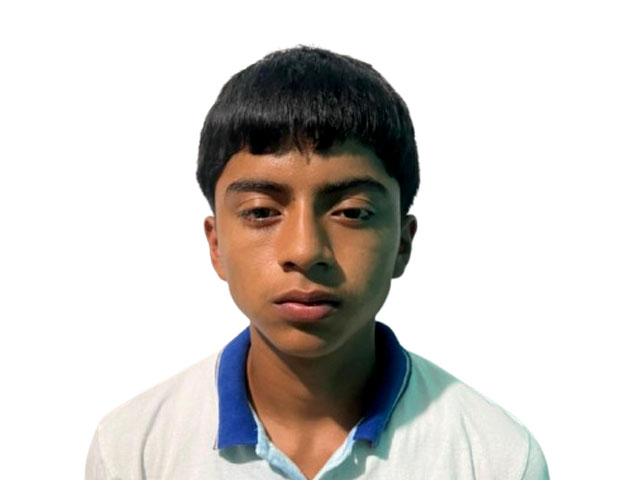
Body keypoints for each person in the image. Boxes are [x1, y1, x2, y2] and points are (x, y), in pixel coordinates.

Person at [86, 46, 549, 480]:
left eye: (352, 212)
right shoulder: (134, 451)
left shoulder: (494, 458)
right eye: (261, 212)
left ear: (403, 244)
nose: (305, 250)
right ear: (216, 245)